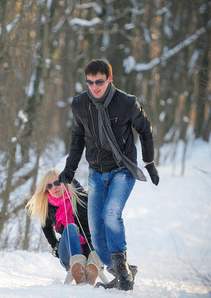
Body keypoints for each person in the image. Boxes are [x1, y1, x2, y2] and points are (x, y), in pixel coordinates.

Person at [58, 59, 159, 291]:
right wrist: (69, 169)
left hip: (122, 170)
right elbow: (77, 138)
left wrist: (149, 162)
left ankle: (122, 270)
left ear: (109, 79)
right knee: (96, 231)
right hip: (96, 173)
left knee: (111, 214)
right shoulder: (80, 104)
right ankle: (122, 270)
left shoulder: (126, 103)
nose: (94, 86)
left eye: (99, 82)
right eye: (90, 82)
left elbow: (145, 129)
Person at [26, 168, 104, 285]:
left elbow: (100, 219)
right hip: (68, 250)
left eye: (57, 183)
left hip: (89, 243)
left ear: (64, 182)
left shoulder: (82, 197)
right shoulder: (49, 207)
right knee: (70, 227)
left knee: (96, 237)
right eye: (49, 186)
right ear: (46, 190)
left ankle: (92, 266)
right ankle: (77, 266)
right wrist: (54, 246)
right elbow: (46, 227)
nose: (54, 187)